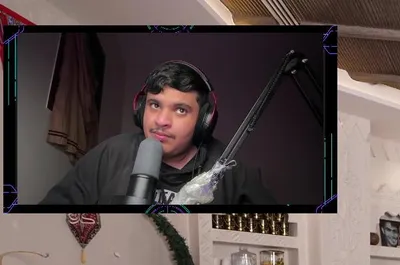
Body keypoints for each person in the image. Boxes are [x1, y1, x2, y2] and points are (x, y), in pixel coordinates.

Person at [40, 60, 274, 206]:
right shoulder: (110, 154)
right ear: (140, 107)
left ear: (204, 120)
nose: (161, 121)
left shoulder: (232, 172)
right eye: (154, 105)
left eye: (180, 110)